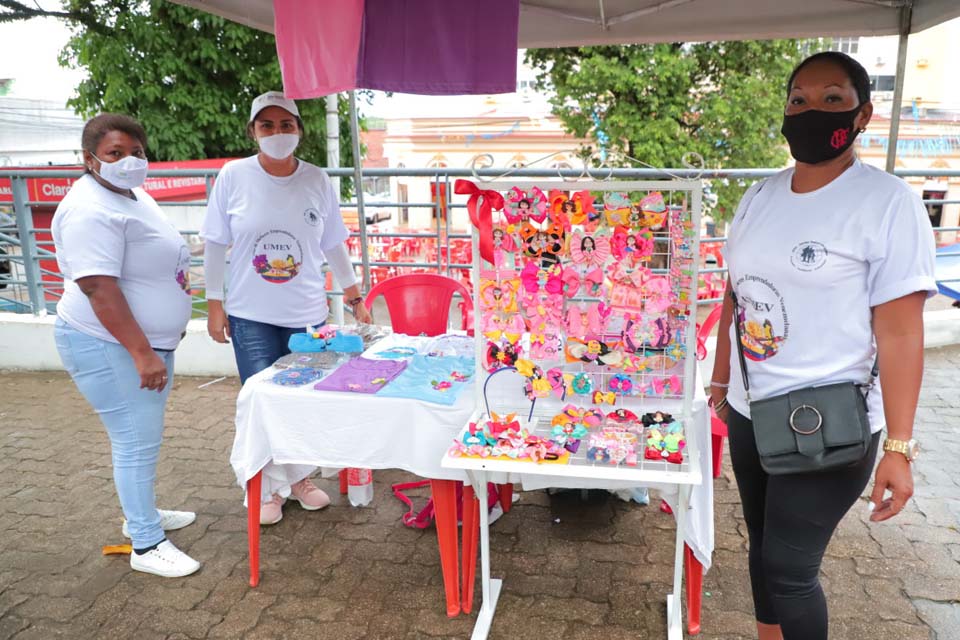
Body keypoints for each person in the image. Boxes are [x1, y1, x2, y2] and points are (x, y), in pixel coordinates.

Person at [710, 51, 935, 640]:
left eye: (832, 98)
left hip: (830, 419)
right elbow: (736, 295)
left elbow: (901, 332)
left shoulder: (888, 203)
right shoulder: (758, 197)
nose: (812, 110)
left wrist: (900, 448)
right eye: (799, 100)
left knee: (791, 569)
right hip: (751, 410)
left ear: (862, 114)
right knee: (762, 547)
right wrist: (720, 379)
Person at [202, 91, 372, 525]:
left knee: (301, 402)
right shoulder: (233, 176)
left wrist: (354, 296)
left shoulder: (317, 179)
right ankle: (265, 488)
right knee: (263, 403)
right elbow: (215, 243)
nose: (277, 133)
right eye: (267, 125)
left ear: (299, 130)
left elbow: (333, 244)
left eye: (286, 125)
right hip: (251, 315)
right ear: (253, 132)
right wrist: (214, 304)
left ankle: (298, 480)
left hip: (307, 315)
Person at [52, 114, 200, 578]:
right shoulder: (89, 209)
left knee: (142, 438)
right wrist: (142, 352)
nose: (129, 161)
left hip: (139, 344)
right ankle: (146, 542)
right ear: (90, 159)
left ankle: (143, 514)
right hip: (107, 344)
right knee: (135, 441)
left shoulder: (129, 193)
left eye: (137, 152)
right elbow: (98, 287)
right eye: (115, 153)